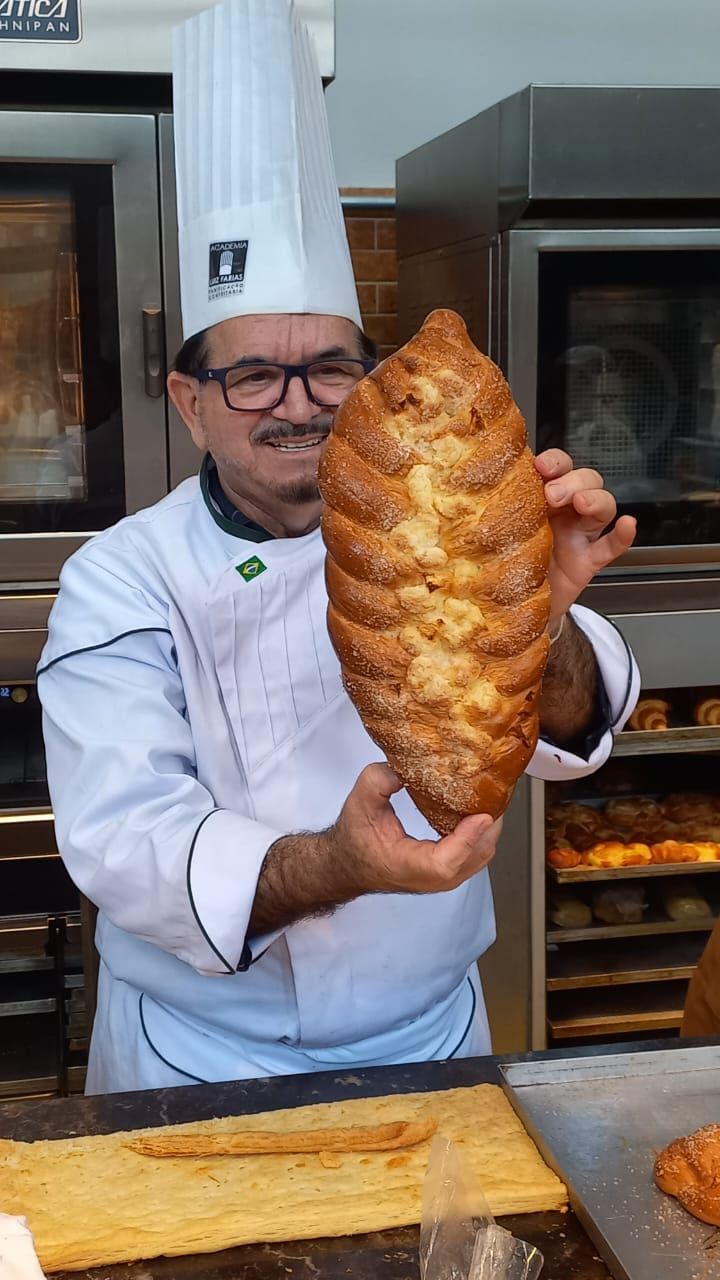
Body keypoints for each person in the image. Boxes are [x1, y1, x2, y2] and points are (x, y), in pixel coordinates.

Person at [37, 0, 640, 1094]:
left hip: (433, 1041)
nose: (297, 405)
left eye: (328, 367)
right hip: (199, 1057)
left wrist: (537, 613)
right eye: (252, 374)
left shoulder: (452, 538)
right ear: (188, 398)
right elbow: (128, 842)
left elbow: (563, 732)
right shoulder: (122, 576)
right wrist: (340, 864)